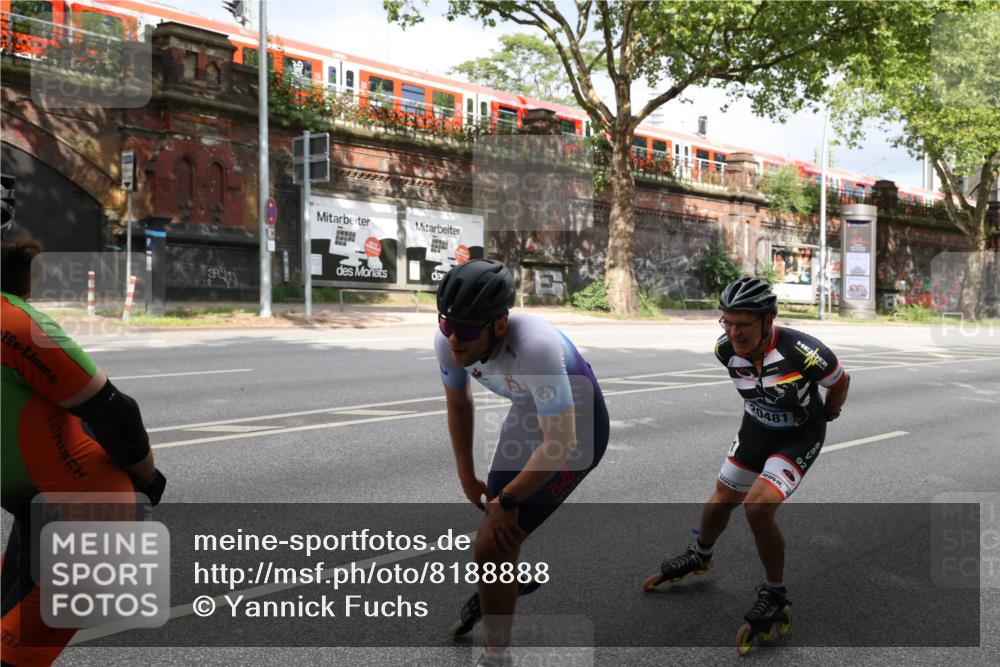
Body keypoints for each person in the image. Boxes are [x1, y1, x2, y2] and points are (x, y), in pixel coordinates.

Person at [644, 277, 850, 635]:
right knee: (722, 497)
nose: (733, 333)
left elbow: (840, 382)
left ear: (768, 320)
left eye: (743, 325)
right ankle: (701, 554)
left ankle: (776, 593)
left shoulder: (804, 351)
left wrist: (828, 415)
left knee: (757, 507)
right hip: (756, 429)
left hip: (799, 437)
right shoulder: (725, 350)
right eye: (727, 322)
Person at [1, 233, 166, 667]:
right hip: (37, 504)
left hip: (91, 519)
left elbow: (117, 413)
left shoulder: (16, 327)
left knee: (15, 655)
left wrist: (148, 482)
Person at [434, 259, 609, 667]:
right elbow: (459, 404)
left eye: (466, 330)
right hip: (531, 413)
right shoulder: (448, 341)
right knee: (497, 543)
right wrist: (465, 475)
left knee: (491, 544)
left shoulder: (536, 347)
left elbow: (561, 441)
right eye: (446, 324)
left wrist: (508, 501)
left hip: (577, 430)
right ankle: (501, 590)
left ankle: (497, 653)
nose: (454, 339)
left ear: (499, 324)